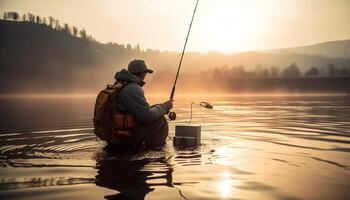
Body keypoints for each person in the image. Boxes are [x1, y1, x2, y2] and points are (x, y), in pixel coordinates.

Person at [112, 59, 173, 148]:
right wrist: (164, 107)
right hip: (125, 136)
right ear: (142, 73)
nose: (145, 76)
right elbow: (147, 117)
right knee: (161, 121)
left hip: (117, 131)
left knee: (157, 112)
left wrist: (159, 107)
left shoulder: (121, 84)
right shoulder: (133, 88)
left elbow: (140, 112)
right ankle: (155, 153)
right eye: (145, 73)